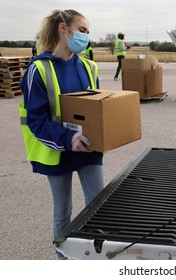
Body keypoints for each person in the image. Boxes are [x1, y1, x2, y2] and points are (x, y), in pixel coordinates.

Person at [19, 9, 104, 260]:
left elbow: (96, 109)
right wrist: (68, 139)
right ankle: (63, 261)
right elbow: (35, 119)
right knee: (63, 211)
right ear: (63, 29)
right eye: (82, 30)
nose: (86, 37)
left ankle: (96, 258)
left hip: (88, 149)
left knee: (98, 207)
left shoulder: (90, 67)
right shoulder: (39, 70)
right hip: (57, 152)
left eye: (88, 32)